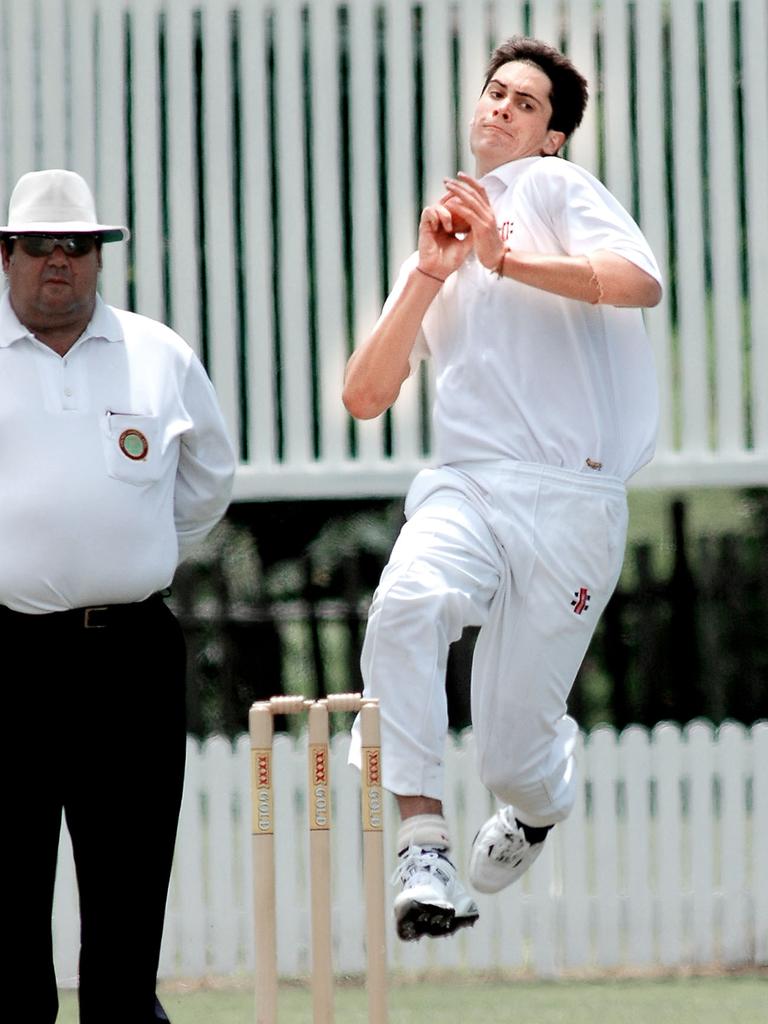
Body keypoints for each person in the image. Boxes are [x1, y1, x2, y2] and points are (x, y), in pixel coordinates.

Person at [344, 37, 661, 941]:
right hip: (468, 484)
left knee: (514, 749)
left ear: (552, 137)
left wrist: (505, 258)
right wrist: (433, 273)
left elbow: (641, 283)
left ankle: (533, 806)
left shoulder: (561, 191)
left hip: (573, 497)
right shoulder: (442, 237)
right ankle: (424, 845)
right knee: (405, 601)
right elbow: (365, 396)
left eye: (524, 103)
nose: (500, 108)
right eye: (494, 92)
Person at [1, 169, 235, 1020]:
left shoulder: (158, 353)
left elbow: (208, 482)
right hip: (8, 654)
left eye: (78, 245)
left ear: (100, 257)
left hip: (129, 654)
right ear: (5, 255)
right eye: (39, 245)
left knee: (129, 898)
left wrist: (127, 554)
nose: (58, 261)